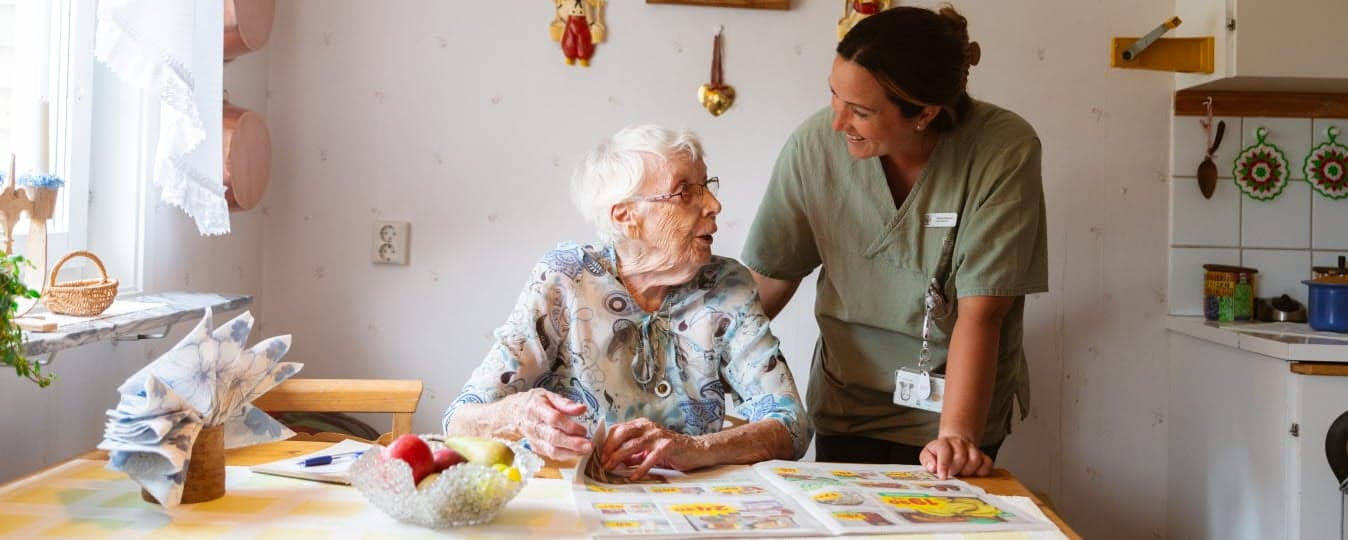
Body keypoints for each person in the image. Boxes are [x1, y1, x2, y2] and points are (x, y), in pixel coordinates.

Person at [742, 5, 1046, 479]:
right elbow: (771, 278)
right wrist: (698, 365)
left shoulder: (1001, 149)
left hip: (954, 402)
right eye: (834, 96)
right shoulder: (814, 147)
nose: (837, 121)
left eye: (860, 111)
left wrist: (956, 439)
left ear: (923, 113)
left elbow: (982, 312)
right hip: (849, 395)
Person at [445, 125, 811, 480]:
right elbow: (459, 419)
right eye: (685, 192)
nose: (714, 205)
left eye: (707, 186)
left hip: (691, 511)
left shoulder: (727, 286)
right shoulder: (567, 279)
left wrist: (694, 449)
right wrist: (518, 413)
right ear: (626, 217)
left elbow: (791, 425)